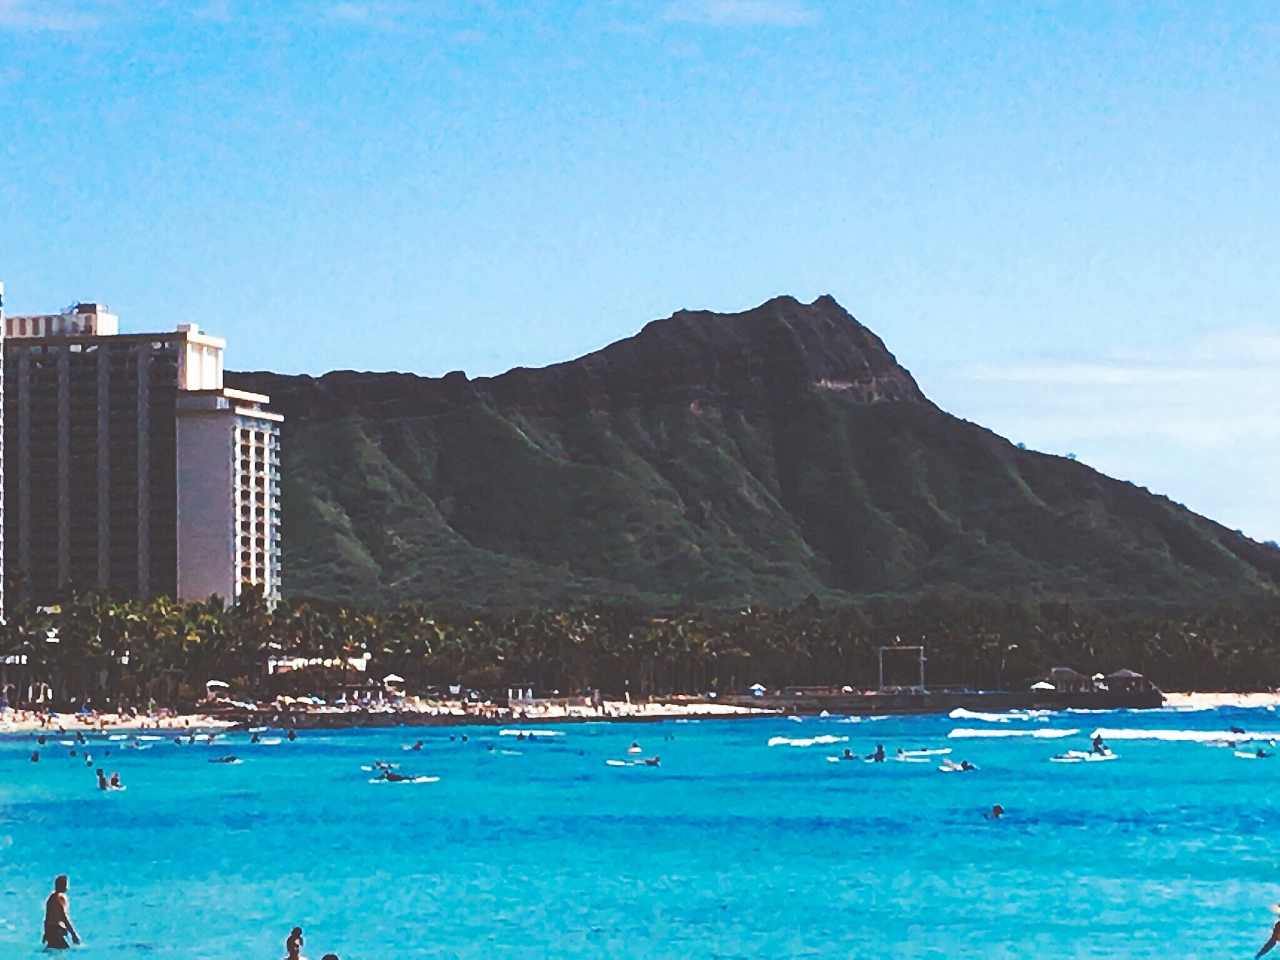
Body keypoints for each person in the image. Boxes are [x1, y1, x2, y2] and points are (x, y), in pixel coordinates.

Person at [42, 875, 80, 949]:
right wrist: (73, 934)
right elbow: (64, 917)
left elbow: (47, 917)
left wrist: (46, 933)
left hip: (50, 930)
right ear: (65, 885)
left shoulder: (50, 898)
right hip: (57, 931)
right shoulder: (61, 897)